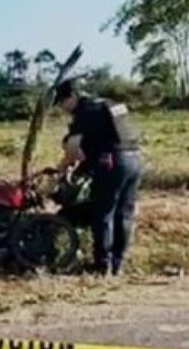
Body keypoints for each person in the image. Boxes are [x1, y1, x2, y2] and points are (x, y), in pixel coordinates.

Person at [54, 77, 143, 276]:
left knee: (103, 213)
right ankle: (117, 264)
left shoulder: (86, 110)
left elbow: (73, 147)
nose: (62, 108)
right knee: (124, 214)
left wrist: (61, 170)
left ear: (73, 96)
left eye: (62, 102)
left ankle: (102, 266)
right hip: (135, 160)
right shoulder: (111, 105)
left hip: (112, 162)